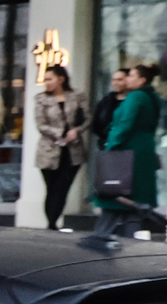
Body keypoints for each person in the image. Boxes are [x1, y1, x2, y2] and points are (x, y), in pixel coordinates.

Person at [89, 63, 165, 245]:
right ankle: (128, 241)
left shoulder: (136, 97)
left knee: (115, 194)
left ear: (141, 80)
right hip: (143, 152)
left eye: (131, 75)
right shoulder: (152, 97)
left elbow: (124, 124)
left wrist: (110, 146)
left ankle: (101, 238)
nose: (127, 79)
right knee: (134, 202)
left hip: (127, 153)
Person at [36, 64, 88, 232]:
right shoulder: (41, 99)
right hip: (49, 150)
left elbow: (88, 117)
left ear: (61, 79)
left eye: (50, 79)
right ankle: (51, 224)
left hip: (73, 150)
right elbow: (41, 125)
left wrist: (76, 131)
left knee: (62, 187)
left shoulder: (77, 96)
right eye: (45, 79)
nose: (47, 83)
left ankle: (52, 223)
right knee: (51, 188)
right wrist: (61, 133)